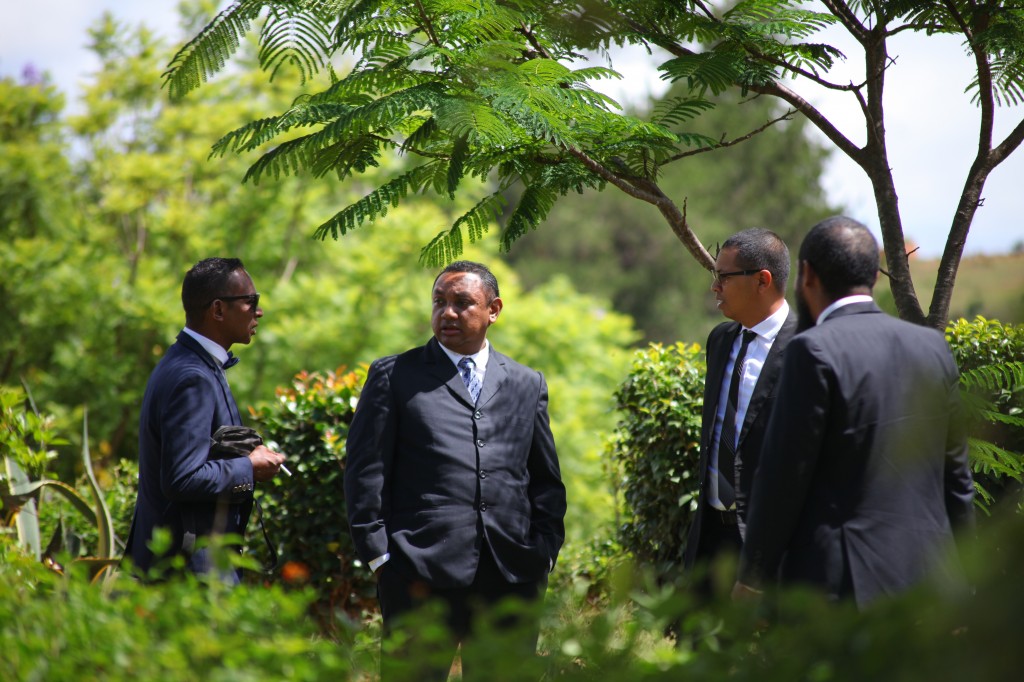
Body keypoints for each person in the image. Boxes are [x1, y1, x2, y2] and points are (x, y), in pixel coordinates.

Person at [734, 217, 975, 607]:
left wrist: (753, 578)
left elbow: (782, 476)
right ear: (873, 277)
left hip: (847, 587)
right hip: (933, 580)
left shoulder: (811, 350)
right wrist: (968, 582)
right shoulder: (932, 347)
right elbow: (957, 479)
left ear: (807, 275)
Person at [345, 260, 566, 681]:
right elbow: (364, 472)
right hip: (417, 575)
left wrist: (545, 553)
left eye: (462, 303)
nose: (447, 313)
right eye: (439, 302)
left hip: (511, 576)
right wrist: (379, 558)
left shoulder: (526, 383)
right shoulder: (394, 376)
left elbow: (545, 481)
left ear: (493, 309)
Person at [126, 257, 286, 580]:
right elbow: (182, 477)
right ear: (217, 310)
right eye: (250, 301)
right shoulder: (191, 376)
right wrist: (250, 467)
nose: (259, 311)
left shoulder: (193, 363)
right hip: (188, 576)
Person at [683, 228, 797, 591]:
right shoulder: (721, 340)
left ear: (762, 280)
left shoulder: (808, 347)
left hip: (770, 547)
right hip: (710, 537)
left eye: (724, 277)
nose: (715, 287)